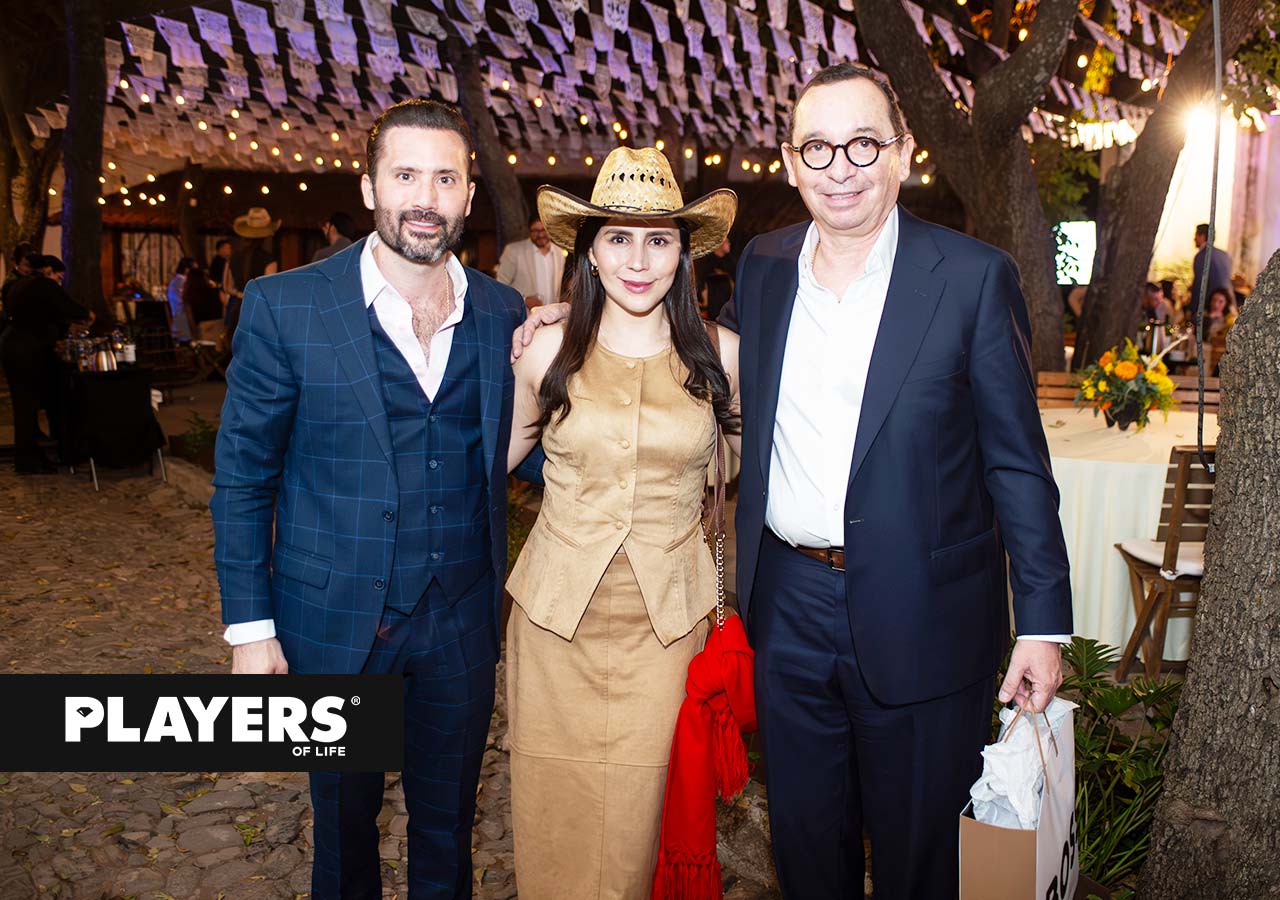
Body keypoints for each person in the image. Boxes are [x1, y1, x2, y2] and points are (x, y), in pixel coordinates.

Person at [714, 64, 1072, 899]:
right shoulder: (764, 267)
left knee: (920, 861)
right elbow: (701, 358)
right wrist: (571, 322)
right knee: (806, 848)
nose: (840, 168)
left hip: (928, 612)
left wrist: (1042, 624)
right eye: (818, 147)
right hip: (788, 604)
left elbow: (1018, 462)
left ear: (903, 154)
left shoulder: (973, 277)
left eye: (863, 144)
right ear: (791, 162)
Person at [211, 99, 548, 900]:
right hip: (333, 622)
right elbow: (244, 477)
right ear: (369, 188)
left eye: (445, 178)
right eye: (405, 176)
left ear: (469, 195)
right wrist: (251, 631)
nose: (425, 198)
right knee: (342, 829)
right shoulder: (286, 305)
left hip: (461, 617)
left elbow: (523, 446)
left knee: (448, 825)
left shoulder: (503, 312)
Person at [503, 147, 739, 900]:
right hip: (555, 625)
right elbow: (496, 458)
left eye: (659, 239)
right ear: (590, 252)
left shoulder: (724, 357)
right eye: (618, 238)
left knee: (649, 819)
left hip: (668, 628)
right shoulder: (546, 347)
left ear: (684, 254)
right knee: (554, 813)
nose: (638, 260)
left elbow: (743, 473)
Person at [0, 255, 90, 474]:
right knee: (27, 406)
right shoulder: (44, 285)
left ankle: (29, 455)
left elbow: (42, 313)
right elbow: (72, 308)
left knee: (24, 406)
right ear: (48, 270)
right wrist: (88, 315)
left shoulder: (20, 284)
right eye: (59, 276)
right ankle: (27, 460)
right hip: (26, 351)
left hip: (13, 346)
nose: (59, 281)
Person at [495, 214, 566, 307]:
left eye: (543, 230)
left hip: (551, 313)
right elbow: (499, 286)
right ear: (529, 231)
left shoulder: (559, 253)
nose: (540, 235)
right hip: (524, 313)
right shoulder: (513, 251)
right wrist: (524, 299)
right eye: (535, 230)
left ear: (550, 230)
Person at [1188, 223, 1232, 320]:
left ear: (1202, 236)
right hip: (1226, 304)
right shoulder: (1224, 254)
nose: (1194, 239)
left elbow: (1200, 285)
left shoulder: (1202, 256)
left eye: (1196, 235)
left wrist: (1193, 309)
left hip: (1210, 304)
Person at [166, 257, 196, 342]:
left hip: (180, 318)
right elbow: (185, 300)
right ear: (186, 269)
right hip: (183, 320)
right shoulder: (181, 281)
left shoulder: (177, 280)